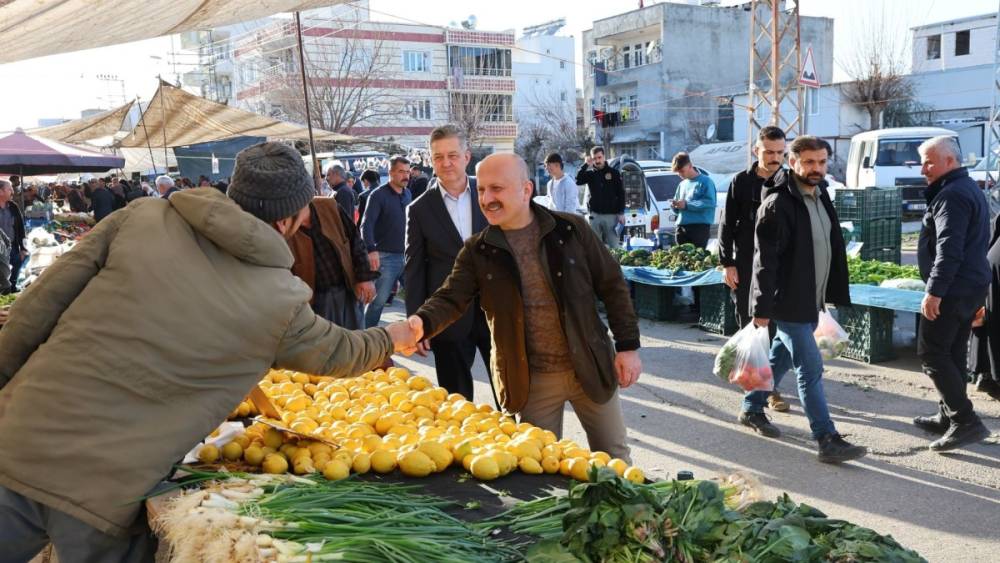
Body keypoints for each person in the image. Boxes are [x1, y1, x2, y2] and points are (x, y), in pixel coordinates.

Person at [0, 141, 423, 562]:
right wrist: (393, 336)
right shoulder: (278, 300)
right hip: (102, 490)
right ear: (287, 220)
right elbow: (340, 352)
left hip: (16, 438)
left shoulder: (142, 216)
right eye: (305, 208)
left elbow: (35, 309)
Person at [410, 153, 641, 461]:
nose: (486, 198)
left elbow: (612, 285)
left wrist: (627, 347)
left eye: (496, 189)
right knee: (539, 470)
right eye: (481, 190)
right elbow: (450, 298)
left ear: (526, 190)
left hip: (589, 365)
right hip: (530, 380)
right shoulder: (478, 251)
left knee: (614, 457)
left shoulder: (571, 230)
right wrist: (420, 323)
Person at [744, 135, 867, 464]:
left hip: (812, 300)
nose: (817, 168)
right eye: (810, 162)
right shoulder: (778, 203)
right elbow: (764, 262)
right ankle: (825, 437)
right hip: (789, 304)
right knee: (810, 368)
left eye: (822, 162)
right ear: (793, 162)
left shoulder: (821, 193)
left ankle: (751, 408)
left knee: (778, 359)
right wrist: (761, 309)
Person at [913, 135, 992, 451]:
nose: (923, 169)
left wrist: (934, 292)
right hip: (969, 286)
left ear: (949, 160)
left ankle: (965, 420)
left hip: (953, 289)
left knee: (932, 353)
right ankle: (949, 414)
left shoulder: (952, 195)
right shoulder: (965, 187)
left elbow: (949, 249)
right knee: (953, 352)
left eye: (929, 161)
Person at [405, 125, 492, 402]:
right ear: (431, 161)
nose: (446, 163)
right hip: (448, 316)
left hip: (498, 309)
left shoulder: (492, 193)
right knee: (456, 400)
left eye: (452, 155)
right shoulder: (419, 209)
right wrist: (417, 324)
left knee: (514, 396)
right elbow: (415, 269)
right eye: (438, 157)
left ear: (467, 156)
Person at [720, 125, 787, 411]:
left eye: (779, 153)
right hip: (746, 263)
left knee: (774, 324)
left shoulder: (789, 182)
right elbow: (726, 225)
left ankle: (770, 387)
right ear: (755, 150)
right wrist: (727, 263)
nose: (774, 158)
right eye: (768, 152)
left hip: (779, 264)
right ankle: (753, 380)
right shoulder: (740, 182)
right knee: (748, 321)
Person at [288, 194, 378, 330]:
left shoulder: (328, 206)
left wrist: (364, 278)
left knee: (356, 340)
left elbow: (355, 239)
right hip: (316, 299)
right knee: (327, 346)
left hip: (348, 288)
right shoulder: (281, 223)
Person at [360, 156, 412, 328]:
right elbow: (366, 225)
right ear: (390, 173)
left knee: (416, 297)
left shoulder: (408, 193)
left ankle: (419, 336)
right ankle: (367, 340)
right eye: (401, 172)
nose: (405, 175)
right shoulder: (377, 195)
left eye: (407, 171)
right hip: (386, 257)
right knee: (378, 302)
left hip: (407, 255)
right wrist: (371, 250)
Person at [575, 146, 625, 248]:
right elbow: (578, 180)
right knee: (594, 247)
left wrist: (621, 212)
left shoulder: (614, 173)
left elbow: (621, 193)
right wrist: (586, 165)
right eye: (595, 158)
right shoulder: (590, 174)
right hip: (595, 216)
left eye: (599, 157)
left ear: (604, 157)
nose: (597, 161)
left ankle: (616, 264)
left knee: (614, 246)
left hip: (611, 216)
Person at [671, 152, 716, 249]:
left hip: (699, 228)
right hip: (681, 228)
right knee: (681, 260)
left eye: (682, 171)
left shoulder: (706, 181)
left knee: (697, 260)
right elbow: (677, 208)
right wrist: (674, 206)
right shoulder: (682, 184)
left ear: (690, 166)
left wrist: (686, 205)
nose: (680, 174)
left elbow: (709, 203)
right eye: (677, 172)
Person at [0, 180, 26, 291]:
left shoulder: (13, 206)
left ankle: (12, 289)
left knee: (15, 270)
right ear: (0, 191)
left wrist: (23, 248)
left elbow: (21, 228)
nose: (12, 192)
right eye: (9, 189)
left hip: (13, 248)